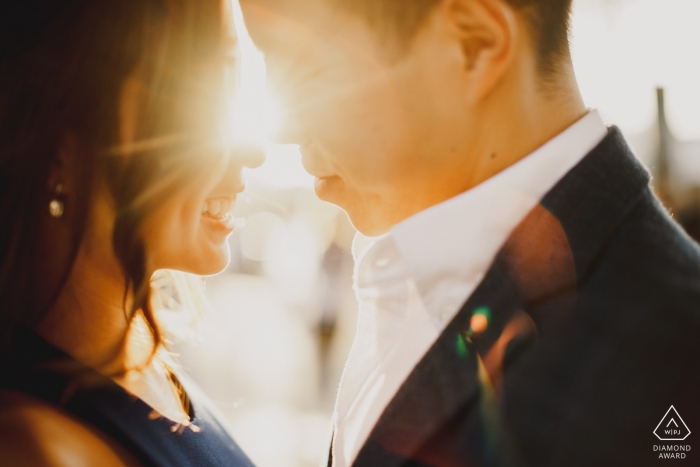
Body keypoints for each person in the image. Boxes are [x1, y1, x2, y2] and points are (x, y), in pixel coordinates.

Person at [239, 0, 700, 465]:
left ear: (474, 46)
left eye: (300, 65)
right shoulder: (409, 265)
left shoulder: (676, 357)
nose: (282, 130)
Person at [0, 0, 263, 465]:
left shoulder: (142, 360)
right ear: (60, 140)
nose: (255, 151)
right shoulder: (40, 450)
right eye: (199, 91)